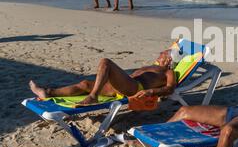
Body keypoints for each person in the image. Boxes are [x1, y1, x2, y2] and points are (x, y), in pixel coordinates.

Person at [29, 51, 176, 107]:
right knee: (85, 84)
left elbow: (170, 89)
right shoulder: (151, 66)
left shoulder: (168, 72)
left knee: (106, 62)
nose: (159, 54)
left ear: (169, 59)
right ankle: (48, 92)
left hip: (134, 88)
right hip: (123, 85)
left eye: (163, 53)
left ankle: (93, 97)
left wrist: (151, 91)